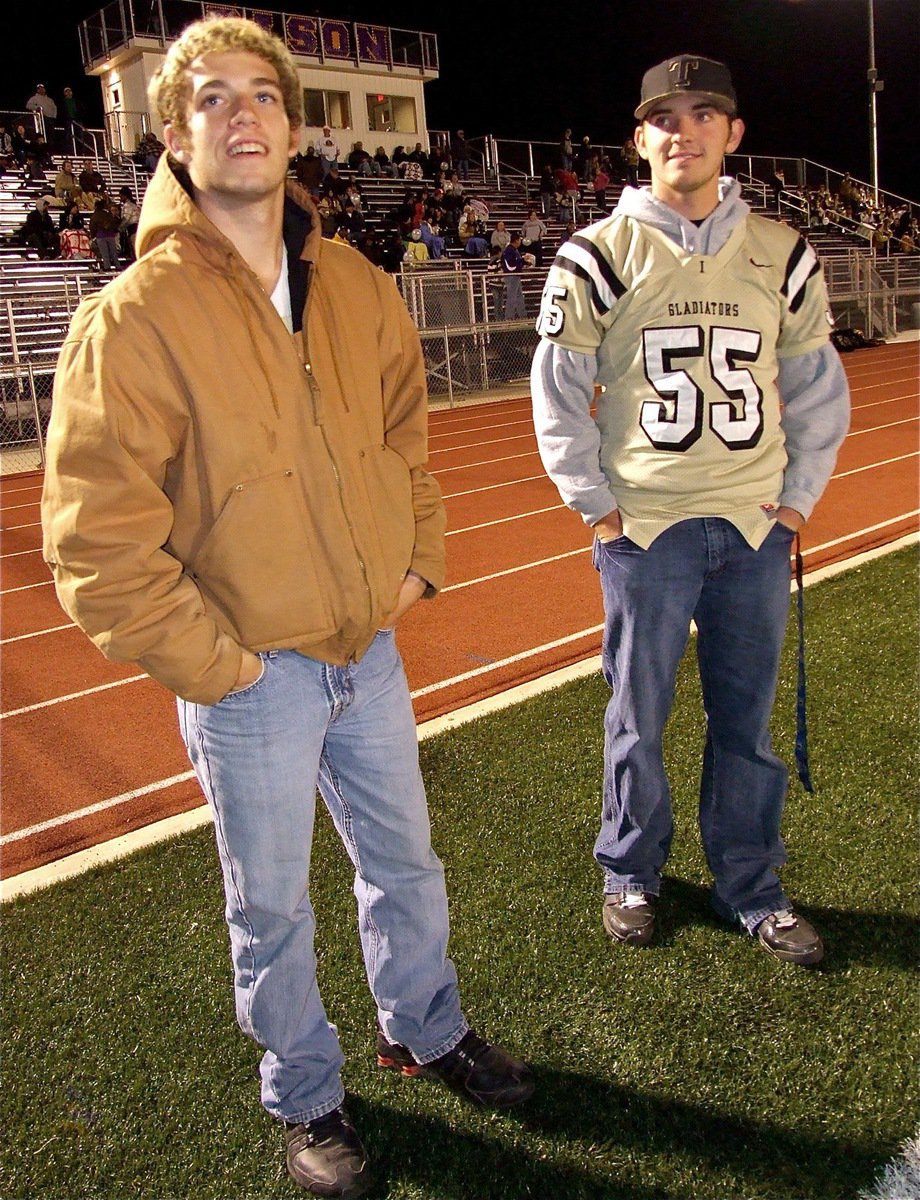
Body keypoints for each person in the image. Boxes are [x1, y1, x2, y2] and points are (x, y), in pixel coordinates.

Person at [41, 17, 533, 1198]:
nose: (242, 114)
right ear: (173, 131)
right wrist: (223, 667)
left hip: (368, 646)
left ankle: (423, 1024)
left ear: (295, 125)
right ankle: (306, 1094)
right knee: (269, 905)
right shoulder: (135, 316)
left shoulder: (356, 283)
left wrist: (413, 565)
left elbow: (404, 436)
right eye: (212, 97)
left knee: (404, 863)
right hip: (251, 673)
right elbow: (96, 539)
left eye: (263, 94)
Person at [531, 54, 851, 967]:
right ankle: (629, 869)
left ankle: (750, 883)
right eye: (665, 117)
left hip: (753, 529)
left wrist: (797, 502)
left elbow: (816, 385)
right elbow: (557, 388)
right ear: (640, 138)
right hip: (648, 526)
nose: (685, 130)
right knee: (639, 714)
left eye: (704, 113)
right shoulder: (597, 252)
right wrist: (596, 507)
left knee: (745, 722)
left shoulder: (782, 251)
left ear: (732, 133)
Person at [500, 232, 528, 319]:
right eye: (519, 240)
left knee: (519, 296)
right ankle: (509, 317)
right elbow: (510, 266)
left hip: (516, 275)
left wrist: (523, 262)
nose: (520, 242)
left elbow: (515, 263)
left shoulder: (514, 250)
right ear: (516, 240)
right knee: (512, 297)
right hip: (511, 276)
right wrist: (522, 261)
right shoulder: (509, 250)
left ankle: (523, 316)